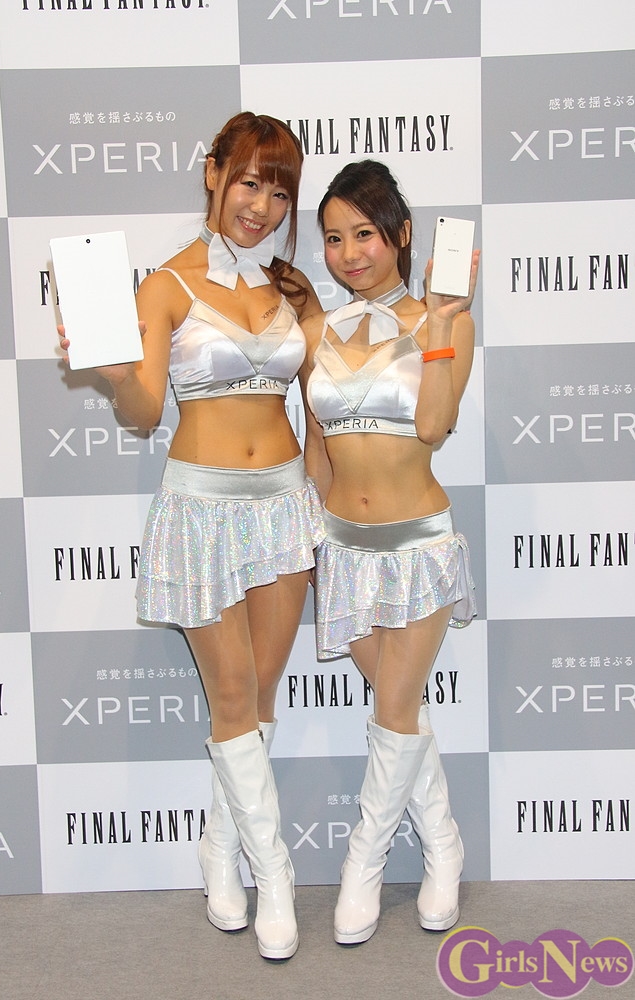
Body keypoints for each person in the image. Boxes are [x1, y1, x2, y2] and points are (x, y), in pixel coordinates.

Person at [59, 112, 324, 960]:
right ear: (212, 174)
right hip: (201, 506)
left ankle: (217, 847)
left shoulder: (291, 289)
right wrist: (112, 374)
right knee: (233, 693)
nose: (261, 206)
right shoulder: (165, 286)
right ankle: (273, 874)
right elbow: (144, 412)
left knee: (261, 694)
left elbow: (322, 399)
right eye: (248, 182)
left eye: (278, 192)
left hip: (282, 502)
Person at [301, 159, 479, 945]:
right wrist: (313, 545)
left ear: (401, 235)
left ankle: (362, 865)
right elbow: (315, 450)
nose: (348, 253)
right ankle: (443, 843)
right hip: (342, 548)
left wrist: (436, 327)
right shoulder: (317, 332)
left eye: (363, 234)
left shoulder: (446, 322)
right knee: (399, 711)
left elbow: (434, 427)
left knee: (393, 710)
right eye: (333, 238)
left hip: (416, 547)